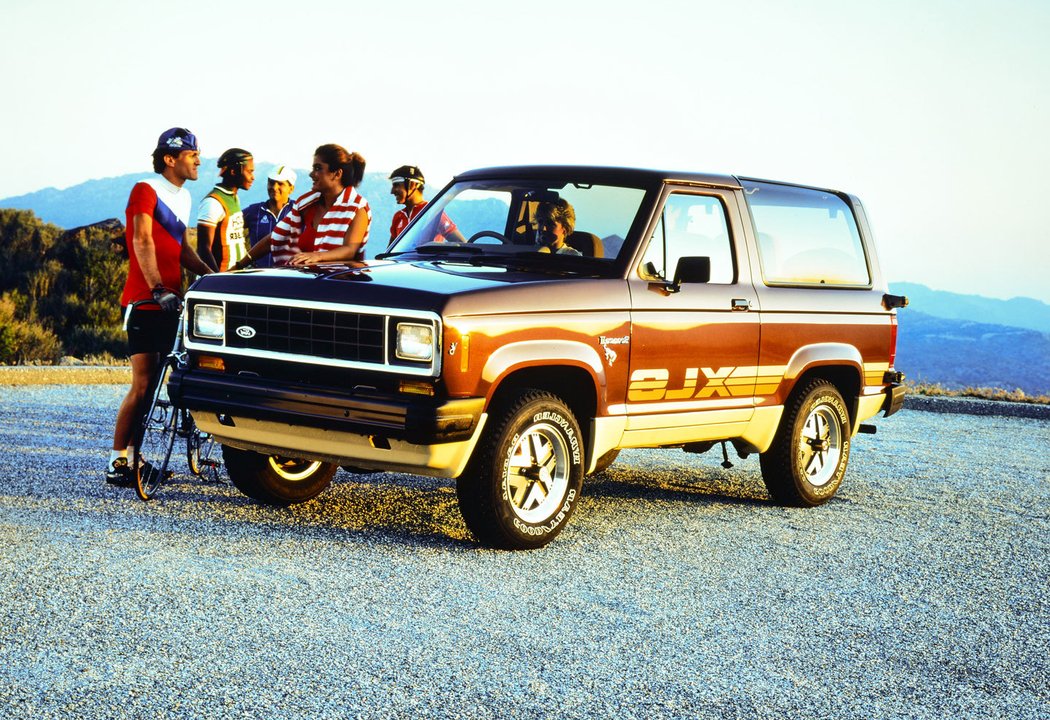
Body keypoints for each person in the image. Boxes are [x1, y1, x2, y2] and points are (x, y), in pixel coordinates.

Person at [106, 128, 214, 486]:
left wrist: (213, 276)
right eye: (191, 153)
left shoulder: (183, 197)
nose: (199, 159)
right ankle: (117, 461)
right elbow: (140, 238)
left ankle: (136, 459)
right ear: (170, 158)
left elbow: (183, 251)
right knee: (141, 385)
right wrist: (156, 288)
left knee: (153, 387)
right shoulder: (145, 189)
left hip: (170, 302)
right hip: (145, 300)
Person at [235, 144, 371, 268]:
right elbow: (275, 237)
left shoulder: (357, 208)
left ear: (337, 174)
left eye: (318, 168)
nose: (311, 174)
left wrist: (316, 256)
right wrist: (239, 266)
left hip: (340, 288)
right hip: (305, 284)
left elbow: (349, 250)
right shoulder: (306, 205)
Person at [196, 148, 254, 272]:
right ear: (234, 171)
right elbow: (203, 249)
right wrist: (217, 278)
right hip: (222, 277)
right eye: (249, 171)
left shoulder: (234, 198)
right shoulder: (213, 202)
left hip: (236, 275)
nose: (252, 177)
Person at [387, 165, 464, 246]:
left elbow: (461, 243)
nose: (392, 191)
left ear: (412, 184)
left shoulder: (432, 212)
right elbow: (389, 254)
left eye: (396, 185)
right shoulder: (398, 217)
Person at [241, 164, 297, 268]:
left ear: (291, 188)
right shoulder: (254, 211)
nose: (274, 187)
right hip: (260, 277)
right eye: (271, 183)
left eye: (280, 184)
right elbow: (229, 226)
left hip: (290, 277)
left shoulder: (299, 210)